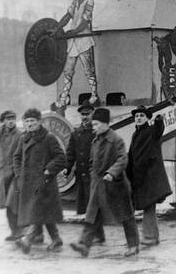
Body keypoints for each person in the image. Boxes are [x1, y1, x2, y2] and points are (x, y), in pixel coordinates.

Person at [70, 108, 140, 258]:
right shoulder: (96, 140)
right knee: (93, 214)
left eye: (96, 124)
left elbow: (122, 159)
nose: (93, 127)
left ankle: (134, 246)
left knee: (126, 216)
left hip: (117, 185)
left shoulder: (116, 140)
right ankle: (84, 245)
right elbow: (92, 160)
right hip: (99, 184)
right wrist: (92, 174)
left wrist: (111, 173)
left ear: (105, 124)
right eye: (93, 124)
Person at [13, 108, 66, 254]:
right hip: (28, 183)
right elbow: (16, 157)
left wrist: (49, 169)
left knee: (36, 211)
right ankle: (56, 239)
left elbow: (61, 158)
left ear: (39, 122)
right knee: (44, 212)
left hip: (45, 183)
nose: (29, 124)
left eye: (33, 121)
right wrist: (19, 174)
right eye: (27, 121)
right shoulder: (24, 138)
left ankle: (27, 240)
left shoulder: (48, 138)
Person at [50, 0, 98, 114]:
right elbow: (68, 15)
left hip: (83, 40)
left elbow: (85, 22)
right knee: (68, 71)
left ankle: (95, 95)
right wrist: (57, 28)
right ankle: (63, 99)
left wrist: (72, 32)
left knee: (89, 70)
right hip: (73, 41)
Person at [126, 106, 171, 246]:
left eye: (141, 115)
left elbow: (159, 130)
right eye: (137, 116)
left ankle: (150, 237)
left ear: (147, 118)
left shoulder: (151, 131)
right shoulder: (135, 134)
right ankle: (153, 236)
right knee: (148, 206)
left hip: (150, 177)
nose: (138, 117)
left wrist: (159, 121)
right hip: (140, 176)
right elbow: (132, 155)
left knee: (148, 206)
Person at [65, 101, 103, 244]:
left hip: (94, 174)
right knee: (90, 205)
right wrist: (67, 168)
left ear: (93, 114)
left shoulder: (97, 132)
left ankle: (88, 236)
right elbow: (70, 154)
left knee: (92, 205)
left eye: (87, 114)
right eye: (82, 114)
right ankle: (99, 234)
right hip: (81, 175)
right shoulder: (76, 133)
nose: (85, 117)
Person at [0, 110, 24, 240]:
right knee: (6, 205)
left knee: (13, 203)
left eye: (13, 118)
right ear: (3, 121)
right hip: (1, 174)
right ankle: (13, 231)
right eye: (8, 119)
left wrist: (19, 170)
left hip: (15, 174)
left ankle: (19, 230)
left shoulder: (20, 135)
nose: (11, 121)